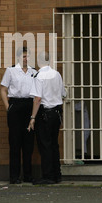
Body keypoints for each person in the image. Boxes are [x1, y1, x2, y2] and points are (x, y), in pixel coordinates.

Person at [28, 51, 66, 184]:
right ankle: (57, 174)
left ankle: (48, 176)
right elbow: (63, 93)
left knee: (45, 145)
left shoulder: (39, 76)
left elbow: (37, 99)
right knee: (54, 144)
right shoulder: (57, 74)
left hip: (45, 113)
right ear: (49, 60)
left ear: (39, 61)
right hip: (56, 112)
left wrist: (33, 117)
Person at [0, 47, 37, 184]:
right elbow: (3, 90)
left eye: (28, 56)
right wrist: (8, 108)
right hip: (15, 106)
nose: (26, 59)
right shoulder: (11, 71)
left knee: (28, 144)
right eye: (24, 56)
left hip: (29, 106)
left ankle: (28, 175)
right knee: (15, 143)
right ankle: (14, 176)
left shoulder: (34, 72)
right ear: (18, 58)